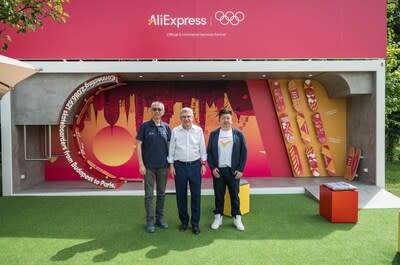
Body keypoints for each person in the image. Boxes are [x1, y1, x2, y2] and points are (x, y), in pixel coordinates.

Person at [207, 108, 248, 231]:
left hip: (233, 171)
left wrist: (240, 169)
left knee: (234, 195)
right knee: (218, 195)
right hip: (218, 171)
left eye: (228, 118)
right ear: (219, 120)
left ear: (232, 120)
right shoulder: (214, 134)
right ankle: (218, 217)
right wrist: (213, 168)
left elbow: (244, 153)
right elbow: (209, 152)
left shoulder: (238, 134)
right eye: (223, 118)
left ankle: (237, 217)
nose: (226, 120)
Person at [168, 107, 207, 235]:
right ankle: (184, 222)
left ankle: (195, 223)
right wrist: (171, 165)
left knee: (196, 195)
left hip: (195, 166)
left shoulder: (198, 130)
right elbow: (172, 149)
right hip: (179, 167)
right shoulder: (175, 131)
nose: (186, 119)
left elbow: (202, 147)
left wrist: (203, 164)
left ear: (193, 117)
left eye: (188, 116)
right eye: (184, 116)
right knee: (181, 195)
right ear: (180, 118)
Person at [136, 101, 171, 233]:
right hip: (148, 167)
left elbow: (169, 146)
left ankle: (160, 219)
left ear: (163, 112)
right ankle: (150, 221)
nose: (157, 111)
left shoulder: (166, 127)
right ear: (151, 111)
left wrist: (171, 164)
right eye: (154, 109)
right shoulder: (145, 126)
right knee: (149, 195)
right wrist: (141, 164)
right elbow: (138, 145)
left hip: (163, 167)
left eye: (159, 109)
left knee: (162, 194)